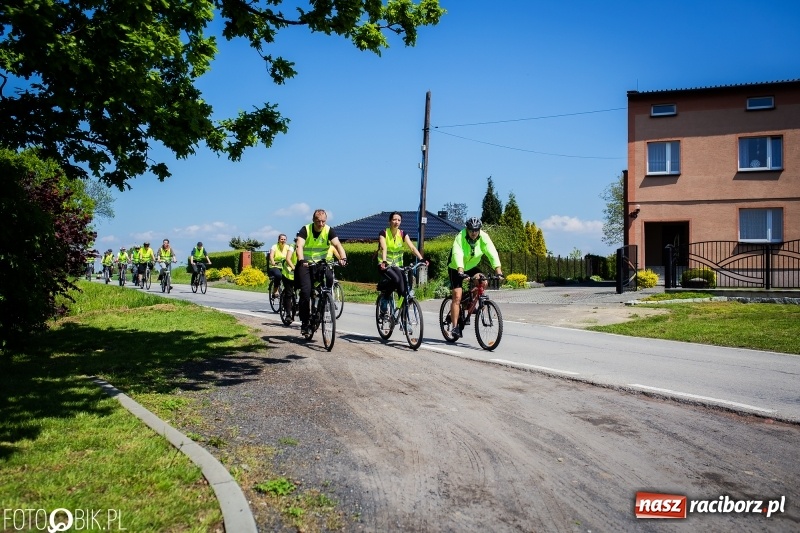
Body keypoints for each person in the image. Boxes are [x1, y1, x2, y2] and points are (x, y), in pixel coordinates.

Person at [447, 217, 503, 339]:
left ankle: (470, 303)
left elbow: (491, 252)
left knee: (483, 282)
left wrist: (498, 270)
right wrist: (460, 270)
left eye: (476, 230)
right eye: (471, 230)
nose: (473, 233)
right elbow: (457, 253)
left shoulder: (484, 237)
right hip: (456, 266)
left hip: (471, 266)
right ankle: (455, 327)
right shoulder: (460, 237)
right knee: (457, 296)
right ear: (467, 229)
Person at [294, 209, 348, 336]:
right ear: (313, 220)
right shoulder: (305, 230)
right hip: (306, 264)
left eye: (323, 221)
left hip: (321, 264)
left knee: (329, 280)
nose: (321, 224)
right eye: (318, 221)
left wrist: (343, 258)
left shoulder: (329, 230)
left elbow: (338, 245)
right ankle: (305, 322)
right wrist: (302, 260)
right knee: (306, 292)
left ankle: (323, 303)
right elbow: (299, 246)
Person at [378, 211, 425, 305]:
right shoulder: (384, 233)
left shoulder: (403, 234)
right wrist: (384, 261)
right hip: (385, 265)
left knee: (403, 291)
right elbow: (384, 248)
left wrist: (421, 259)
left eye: (399, 220)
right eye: (394, 219)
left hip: (398, 266)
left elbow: (412, 247)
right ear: (389, 221)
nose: (396, 222)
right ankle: (385, 298)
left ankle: (401, 311)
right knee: (396, 280)